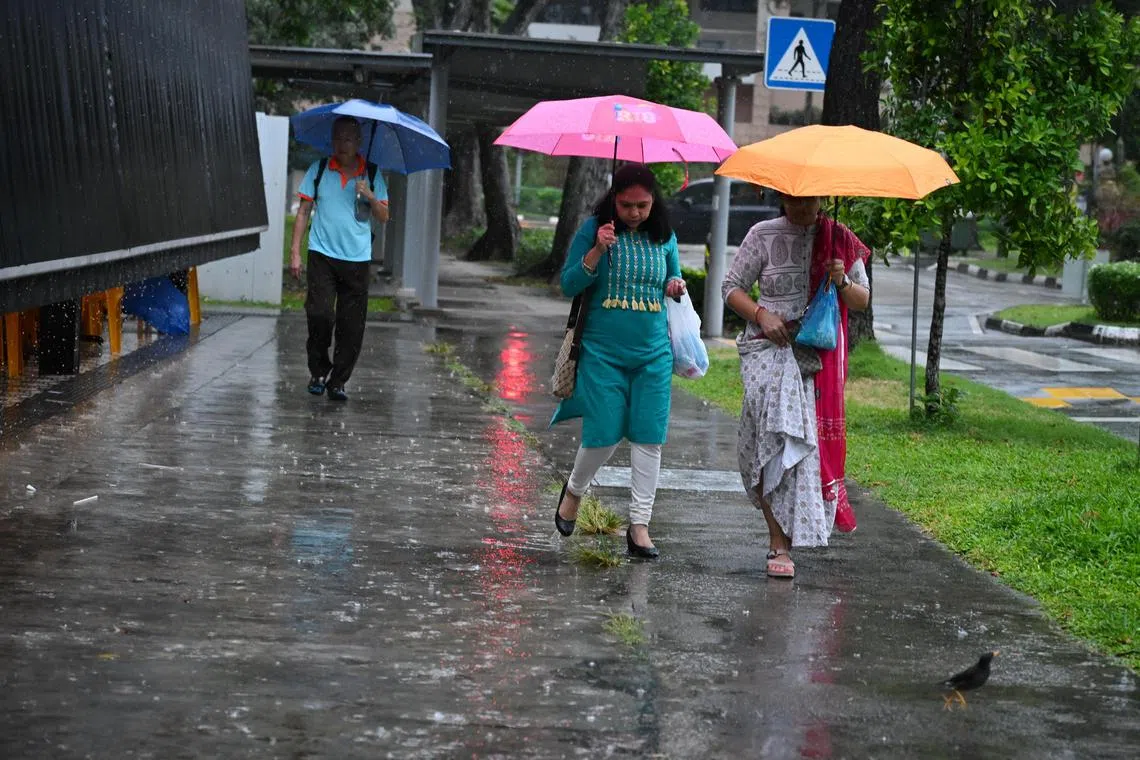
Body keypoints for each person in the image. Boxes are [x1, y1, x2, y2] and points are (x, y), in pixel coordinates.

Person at [721, 194, 870, 578]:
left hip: (814, 356)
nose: (802, 206)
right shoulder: (762, 234)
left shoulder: (840, 239)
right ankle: (777, 540)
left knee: (802, 451)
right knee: (770, 444)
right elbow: (731, 287)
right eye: (794, 199)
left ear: (822, 198)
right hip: (766, 352)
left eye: (809, 199)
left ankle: (787, 541)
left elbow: (862, 299)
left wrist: (840, 280)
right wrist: (761, 314)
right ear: (782, 197)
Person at [550, 164, 687, 559]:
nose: (635, 213)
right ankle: (574, 490)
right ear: (614, 200)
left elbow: (672, 279)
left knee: (649, 437)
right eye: (626, 205)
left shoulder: (664, 236)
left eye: (643, 205)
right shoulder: (594, 229)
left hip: (653, 355)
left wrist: (675, 286)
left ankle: (639, 525)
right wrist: (597, 250)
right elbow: (568, 284)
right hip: (601, 353)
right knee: (604, 433)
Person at [290, 116, 390, 402]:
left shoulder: (371, 174)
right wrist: (295, 252)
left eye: (348, 139)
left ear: (358, 142)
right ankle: (318, 371)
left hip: (357, 259)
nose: (341, 144)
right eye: (337, 138)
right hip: (322, 254)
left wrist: (370, 195)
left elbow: (384, 217)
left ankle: (338, 381)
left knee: (351, 324)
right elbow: (303, 212)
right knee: (320, 313)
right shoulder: (319, 169)